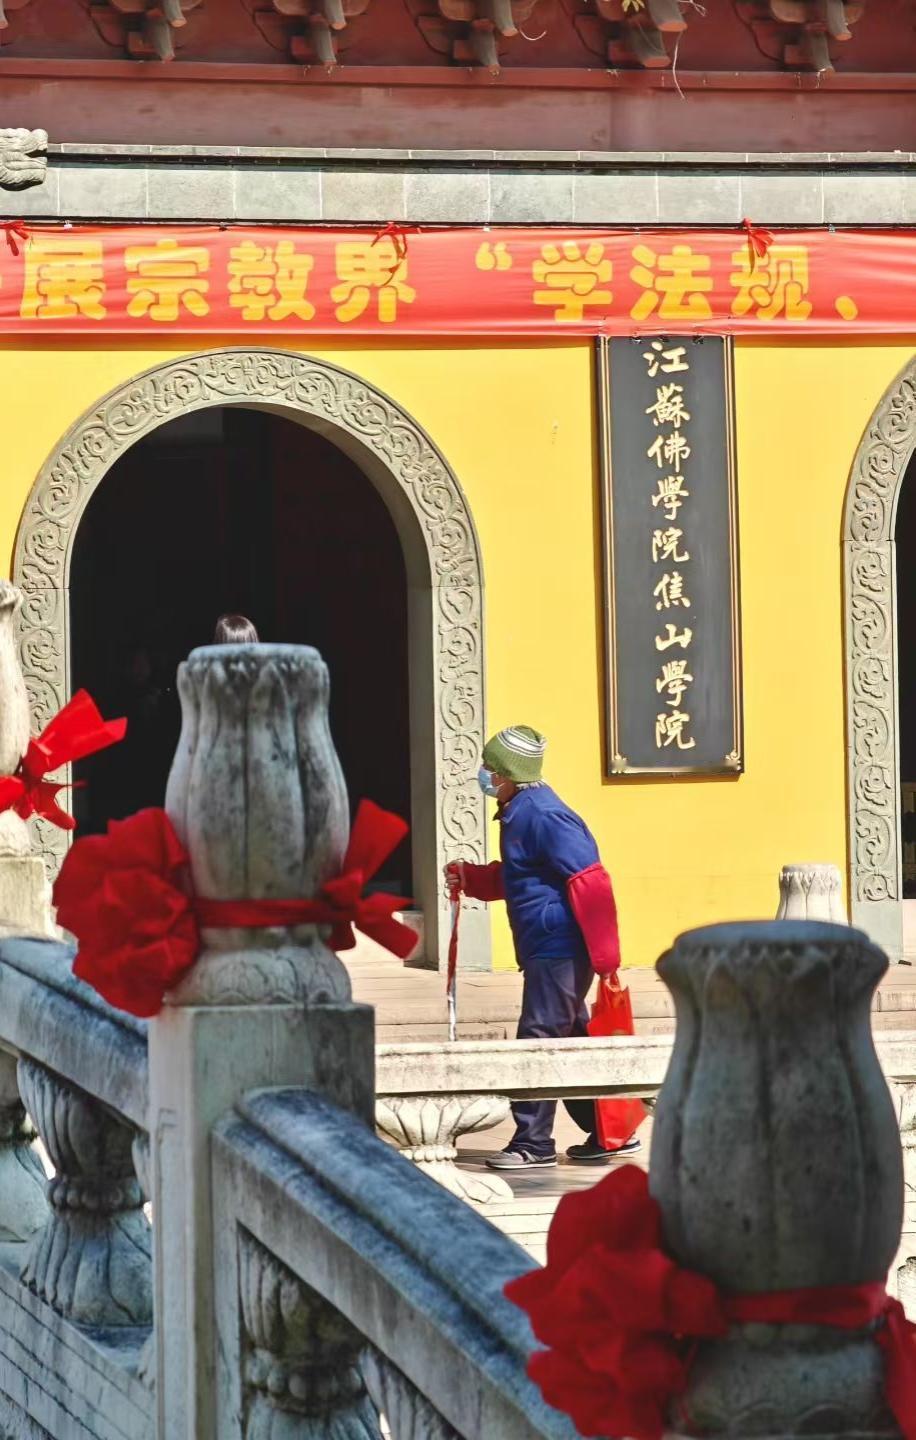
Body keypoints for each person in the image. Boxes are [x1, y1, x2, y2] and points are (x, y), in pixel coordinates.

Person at [445, 725, 637, 1170]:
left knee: (539, 1038)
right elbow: (521, 877)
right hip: (546, 946)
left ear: (508, 773)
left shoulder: (545, 815)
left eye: (490, 767)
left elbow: (590, 881)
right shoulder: (519, 811)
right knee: (571, 1039)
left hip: (559, 947)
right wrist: (472, 877)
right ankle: (609, 1133)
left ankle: (533, 1143)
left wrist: (606, 957)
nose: (484, 774)